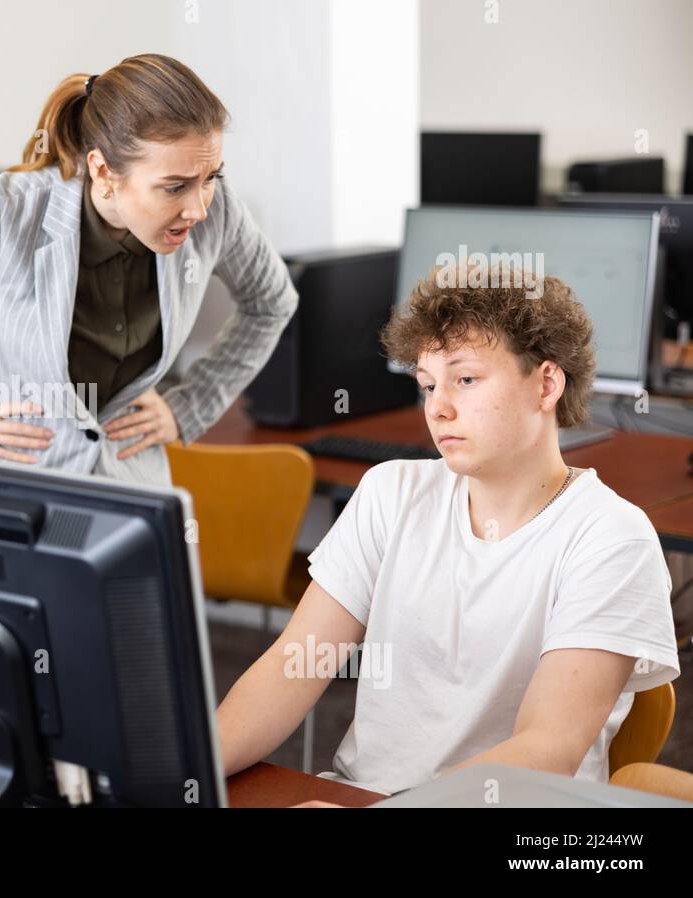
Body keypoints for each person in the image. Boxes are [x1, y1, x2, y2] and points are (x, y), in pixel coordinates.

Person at [216, 264, 680, 797]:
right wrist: (184, 771)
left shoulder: (611, 538)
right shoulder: (390, 494)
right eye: (427, 384)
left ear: (547, 383)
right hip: (366, 795)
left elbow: (547, 749)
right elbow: (290, 669)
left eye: (465, 379)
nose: (437, 407)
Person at [0, 53, 298, 485]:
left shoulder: (220, 214)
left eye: (211, 177)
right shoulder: (3, 214)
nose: (199, 208)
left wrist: (191, 405)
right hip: (14, 495)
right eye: (174, 187)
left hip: (135, 496)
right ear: (104, 172)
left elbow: (272, 302)